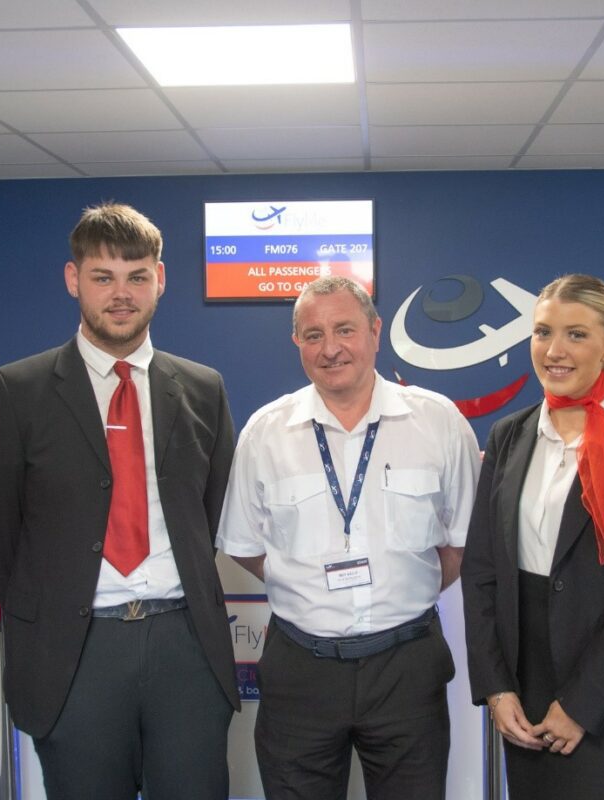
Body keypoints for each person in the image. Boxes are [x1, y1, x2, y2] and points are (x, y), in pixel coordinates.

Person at [0, 203, 238, 800]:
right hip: (75, 651)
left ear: (159, 281)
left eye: (137, 276)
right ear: (73, 280)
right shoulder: (19, 390)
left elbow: (211, 511)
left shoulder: (202, 387)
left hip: (184, 645)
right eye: (103, 277)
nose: (122, 294)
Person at [216, 276, 480, 800]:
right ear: (297, 343)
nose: (330, 348)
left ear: (376, 332)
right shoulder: (265, 432)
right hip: (300, 672)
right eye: (313, 335)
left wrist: (406, 585)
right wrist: (305, 587)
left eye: (345, 330)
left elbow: (462, 541)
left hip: (406, 666)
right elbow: (244, 545)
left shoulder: (438, 422)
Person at [461, 273, 604, 798]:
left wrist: (582, 703)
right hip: (523, 697)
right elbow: (482, 570)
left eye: (576, 335)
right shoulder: (508, 434)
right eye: (542, 333)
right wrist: (496, 688)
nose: (554, 351)